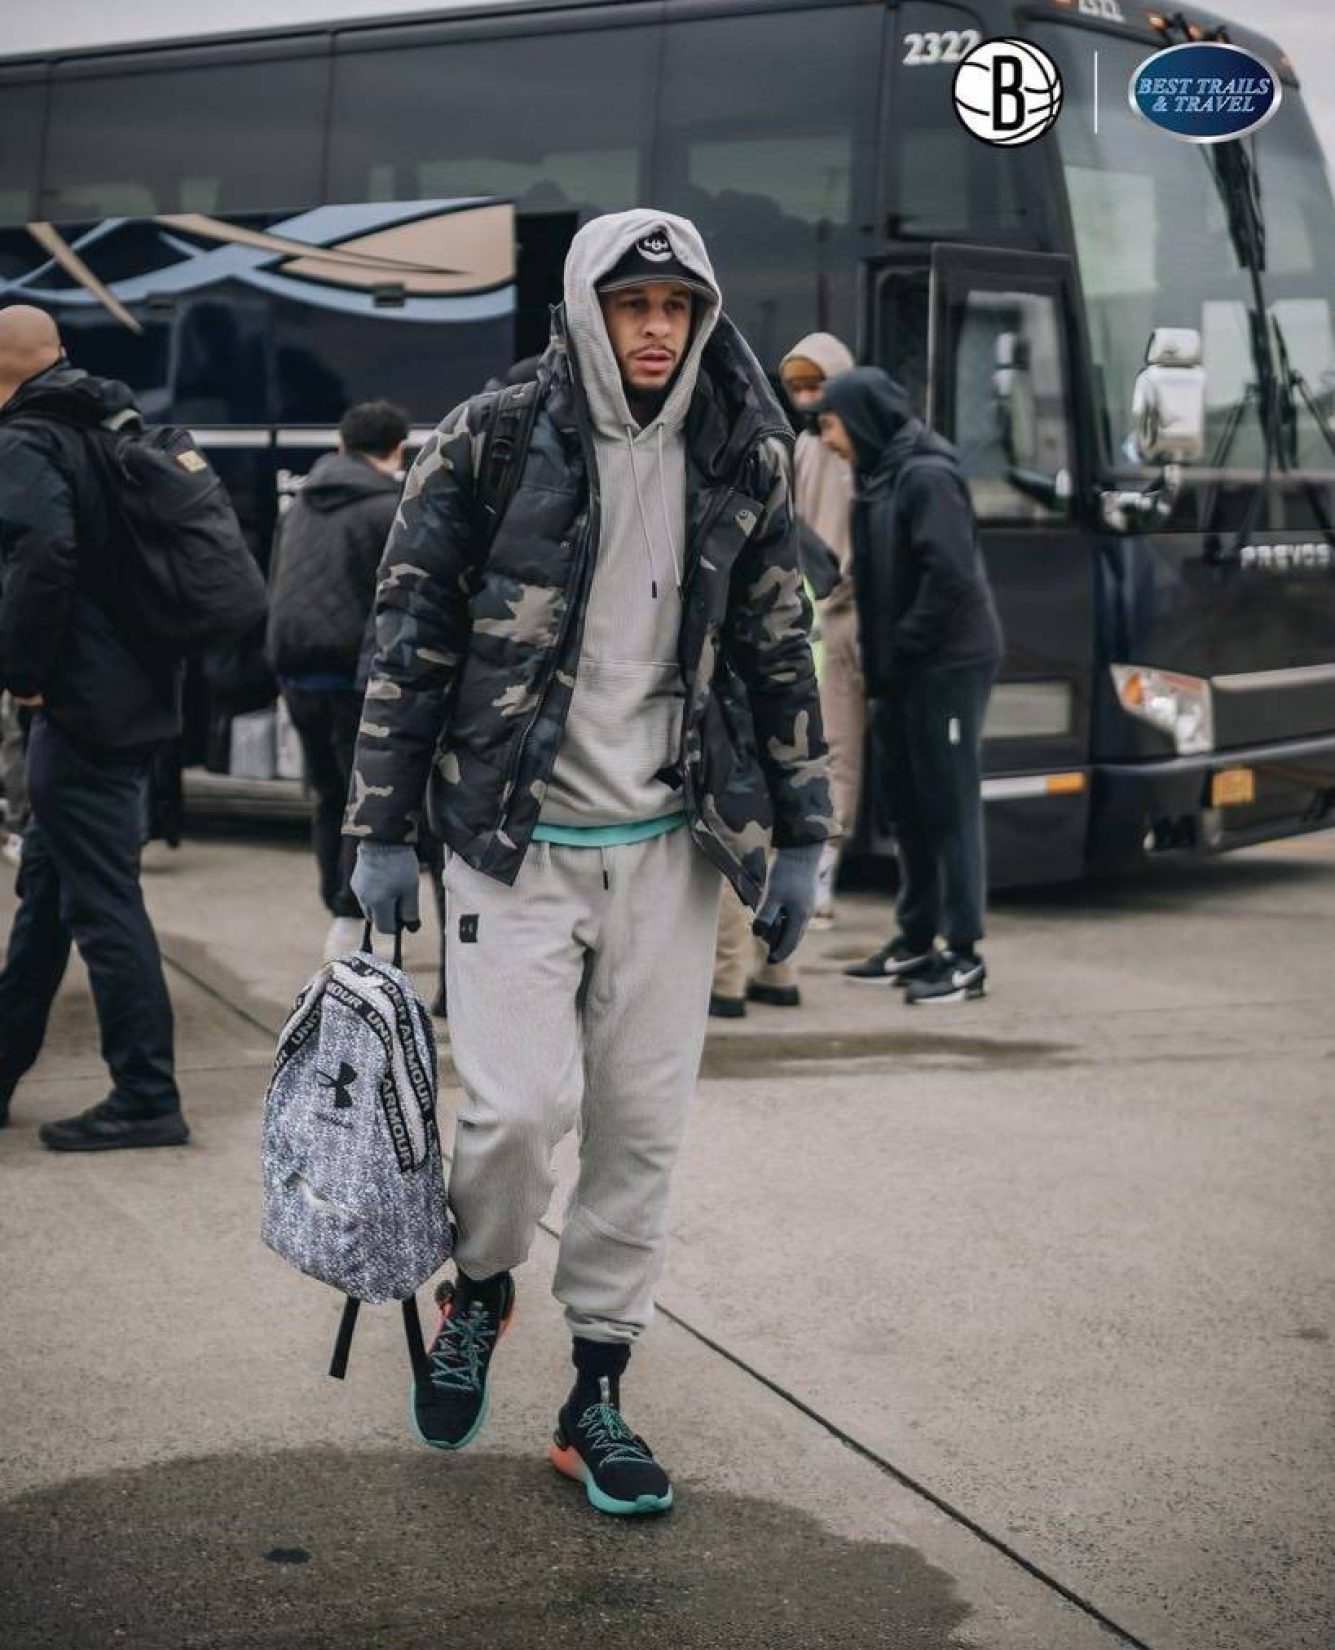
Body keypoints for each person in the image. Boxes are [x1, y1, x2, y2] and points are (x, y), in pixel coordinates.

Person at [346, 210, 835, 1514]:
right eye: (633, 304)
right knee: (510, 1116)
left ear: (704, 316)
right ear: (585, 309)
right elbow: (406, 636)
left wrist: (802, 830)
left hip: (671, 849)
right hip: (513, 846)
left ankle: (596, 1391)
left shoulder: (742, 445)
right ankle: (483, 1285)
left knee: (640, 1130)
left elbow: (779, 641)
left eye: (678, 305)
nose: (657, 326)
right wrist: (380, 827)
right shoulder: (490, 437)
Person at [0, 305, 186, 1145]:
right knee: (46, 893)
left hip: (81, 706)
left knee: (104, 904)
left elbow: (45, 557)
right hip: (133, 693)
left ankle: (146, 1096)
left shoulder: (30, 440)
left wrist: (25, 676)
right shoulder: (109, 426)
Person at [816, 367, 1002, 1004]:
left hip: (947, 663)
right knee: (910, 808)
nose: (826, 438)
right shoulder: (879, 473)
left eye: (830, 423)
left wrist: (902, 651)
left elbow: (948, 579)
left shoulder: (927, 475)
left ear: (860, 417)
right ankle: (916, 937)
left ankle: (964, 953)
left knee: (949, 806)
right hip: (901, 669)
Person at [267, 401, 408, 961]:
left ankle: (336, 905)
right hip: (355, 675)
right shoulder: (388, 510)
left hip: (296, 670)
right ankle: (352, 921)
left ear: (341, 444)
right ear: (397, 450)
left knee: (327, 793)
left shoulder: (298, 505)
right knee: (364, 799)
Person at [779, 333, 861, 924]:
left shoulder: (846, 448)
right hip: (822, 611)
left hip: (845, 609)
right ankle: (824, 868)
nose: (808, 399)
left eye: (817, 386)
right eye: (798, 388)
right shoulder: (809, 448)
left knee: (840, 744)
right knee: (831, 740)